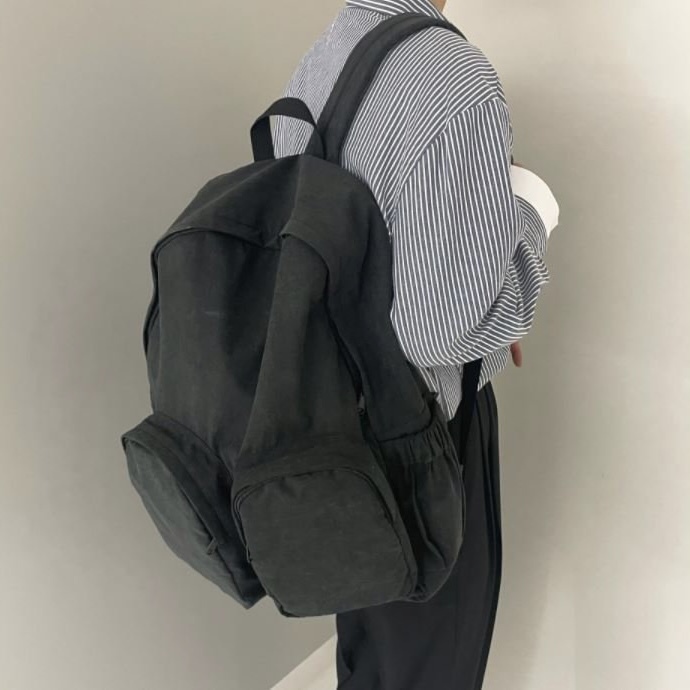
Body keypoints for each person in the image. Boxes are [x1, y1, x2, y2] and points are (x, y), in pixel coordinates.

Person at [274, 0, 560, 687]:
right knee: (435, 664)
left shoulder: (322, 55)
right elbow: (441, 331)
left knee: (370, 647)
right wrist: (530, 211)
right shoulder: (456, 76)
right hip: (424, 442)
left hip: (336, 420)